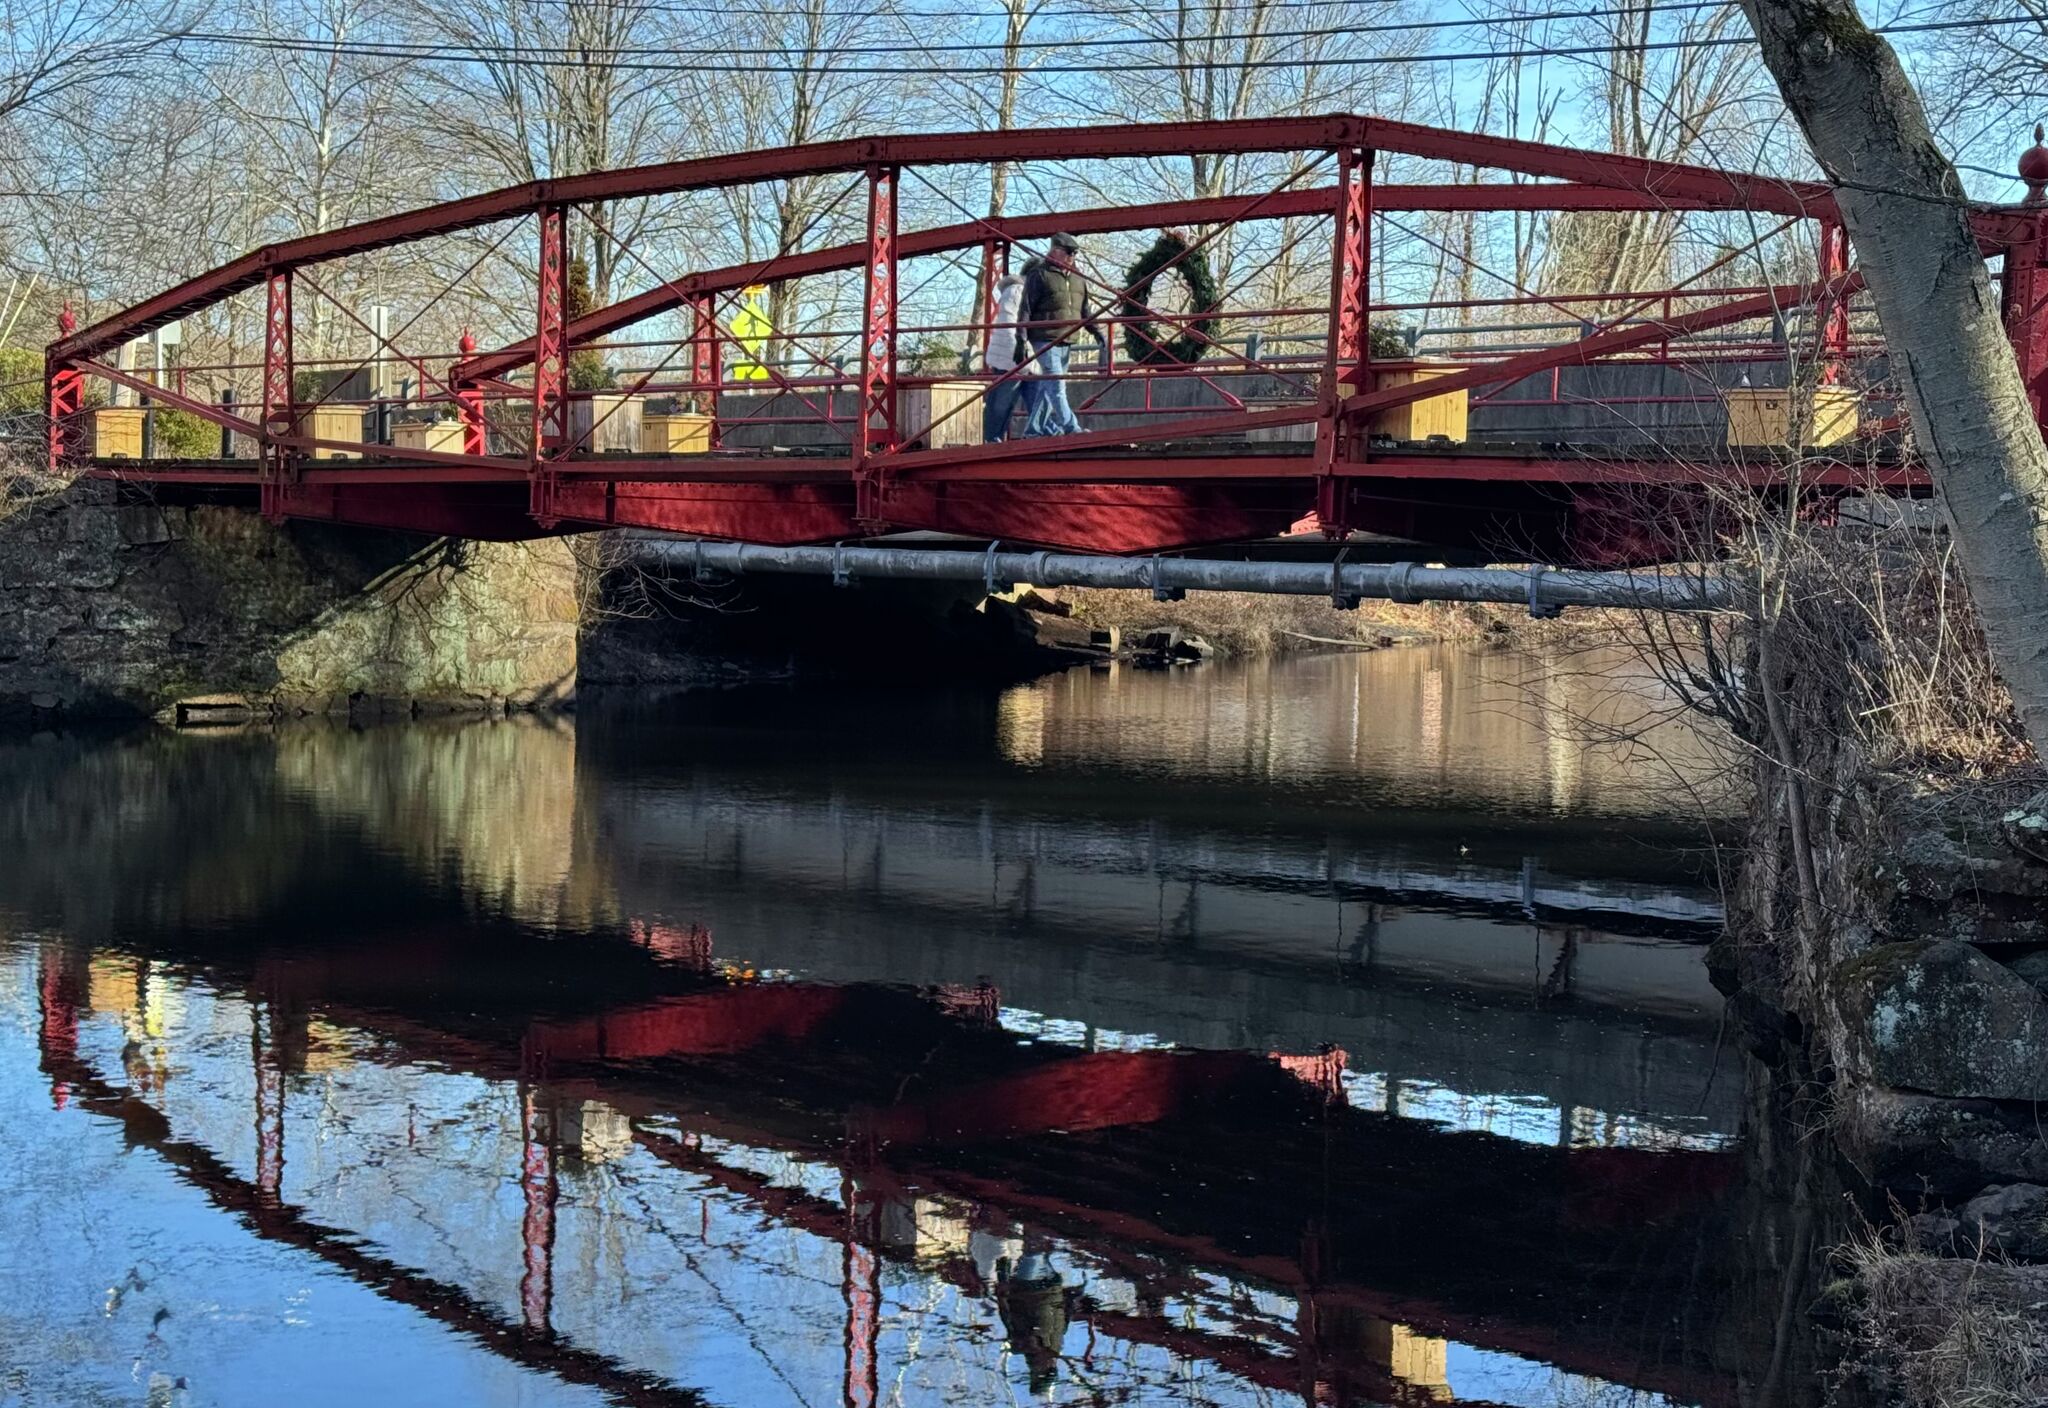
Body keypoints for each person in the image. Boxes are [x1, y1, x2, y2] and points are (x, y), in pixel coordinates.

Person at [1018, 233, 1103, 438]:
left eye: (1074, 253)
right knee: (1057, 386)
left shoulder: (1078, 278)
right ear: (1055, 251)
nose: (1071, 257)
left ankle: (1033, 430)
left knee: (1049, 388)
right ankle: (1071, 428)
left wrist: (1098, 332)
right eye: (1068, 253)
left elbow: (1085, 310)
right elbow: (1026, 308)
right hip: (1044, 338)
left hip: (1067, 338)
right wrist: (1020, 338)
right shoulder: (1039, 275)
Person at [981, 271, 1027, 442]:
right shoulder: (1017, 291)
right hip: (1011, 356)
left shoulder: (1019, 291)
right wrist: (1019, 349)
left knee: (1008, 400)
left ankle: (993, 438)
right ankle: (992, 438)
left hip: (1016, 355)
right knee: (1002, 401)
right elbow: (1009, 324)